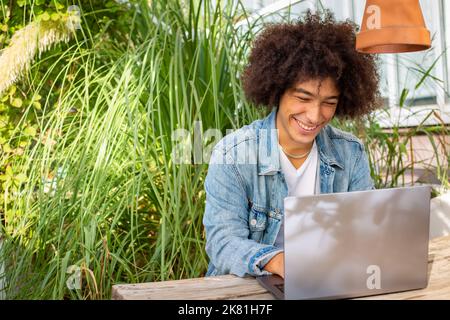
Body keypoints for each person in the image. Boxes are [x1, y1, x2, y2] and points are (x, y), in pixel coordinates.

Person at [202, 10, 380, 279]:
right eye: (303, 98)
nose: (314, 115)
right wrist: (281, 262)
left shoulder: (349, 152)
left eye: (329, 103)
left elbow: (367, 227)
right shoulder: (233, 155)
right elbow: (223, 243)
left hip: (327, 281)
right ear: (277, 91)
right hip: (248, 287)